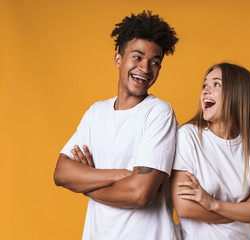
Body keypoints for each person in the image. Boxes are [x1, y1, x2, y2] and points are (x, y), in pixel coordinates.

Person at [54, 11, 181, 240]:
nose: (145, 69)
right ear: (118, 59)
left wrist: (86, 181)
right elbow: (62, 173)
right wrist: (120, 175)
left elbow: (140, 193)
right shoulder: (96, 112)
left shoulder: (159, 113)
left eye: (155, 62)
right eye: (138, 57)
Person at [171, 63, 250, 240]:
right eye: (205, 85)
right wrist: (245, 208)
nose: (205, 91)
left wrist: (212, 204)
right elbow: (185, 207)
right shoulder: (189, 137)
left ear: (237, 93)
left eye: (216, 84)